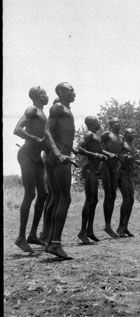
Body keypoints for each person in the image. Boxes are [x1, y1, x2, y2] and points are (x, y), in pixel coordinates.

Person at [13, 86, 49, 253]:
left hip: (37, 158)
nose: (46, 96)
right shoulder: (32, 109)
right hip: (26, 155)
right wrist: (35, 138)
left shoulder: (43, 114)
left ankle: (33, 234)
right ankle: (21, 237)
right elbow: (17, 130)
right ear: (36, 96)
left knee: (44, 194)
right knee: (30, 194)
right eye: (43, 94)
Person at [43, 82, 76, 260]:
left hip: (63, 154)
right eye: (71, 90)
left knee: (57, 198)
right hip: (60, 156)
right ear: (62, 92)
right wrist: (58, 153)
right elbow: (46, 132)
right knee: (65, 198)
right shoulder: (58, 107)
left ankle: (49, 240)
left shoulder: (65, 109)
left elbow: (59, 134)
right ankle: (55, 243)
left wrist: (72, 150)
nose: (74, 93)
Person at [76, 116, 107, 244]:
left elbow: (98, 151)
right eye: (97, 121)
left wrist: (105, 155)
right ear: (92, 123)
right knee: (90, 200)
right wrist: (95, 155)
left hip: (94, 170)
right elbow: (79, 148)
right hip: (89, 169)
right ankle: (82, 231)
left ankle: (89, 230)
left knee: (94, 200)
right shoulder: (89, 134)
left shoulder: (97, 136)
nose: (99, 123)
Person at [100, 117, 124, 238]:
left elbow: (121, 151)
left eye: (118, 121)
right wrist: (108, 153)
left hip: (115, 167)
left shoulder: (121, 137)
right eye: (115, 122)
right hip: (105, 165)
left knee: (113, 195)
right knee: (108, 194)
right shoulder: (106, 134)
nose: (118, 123)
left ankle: (108, 226)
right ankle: (107, 225)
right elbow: (97, 147)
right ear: (110, 124)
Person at [116, 128, 139, 237]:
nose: (134, 133)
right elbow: (116, 155)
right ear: (125, 134)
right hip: (121, 173)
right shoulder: (121, 143)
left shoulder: (133, 146)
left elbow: (133, 159)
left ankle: (125, 227)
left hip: (130, 175)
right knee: (126, 199)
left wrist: (136, 161)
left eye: (134, 132)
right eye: (131, 132)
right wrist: (123, 157)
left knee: (131, 200)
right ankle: (120, 227)